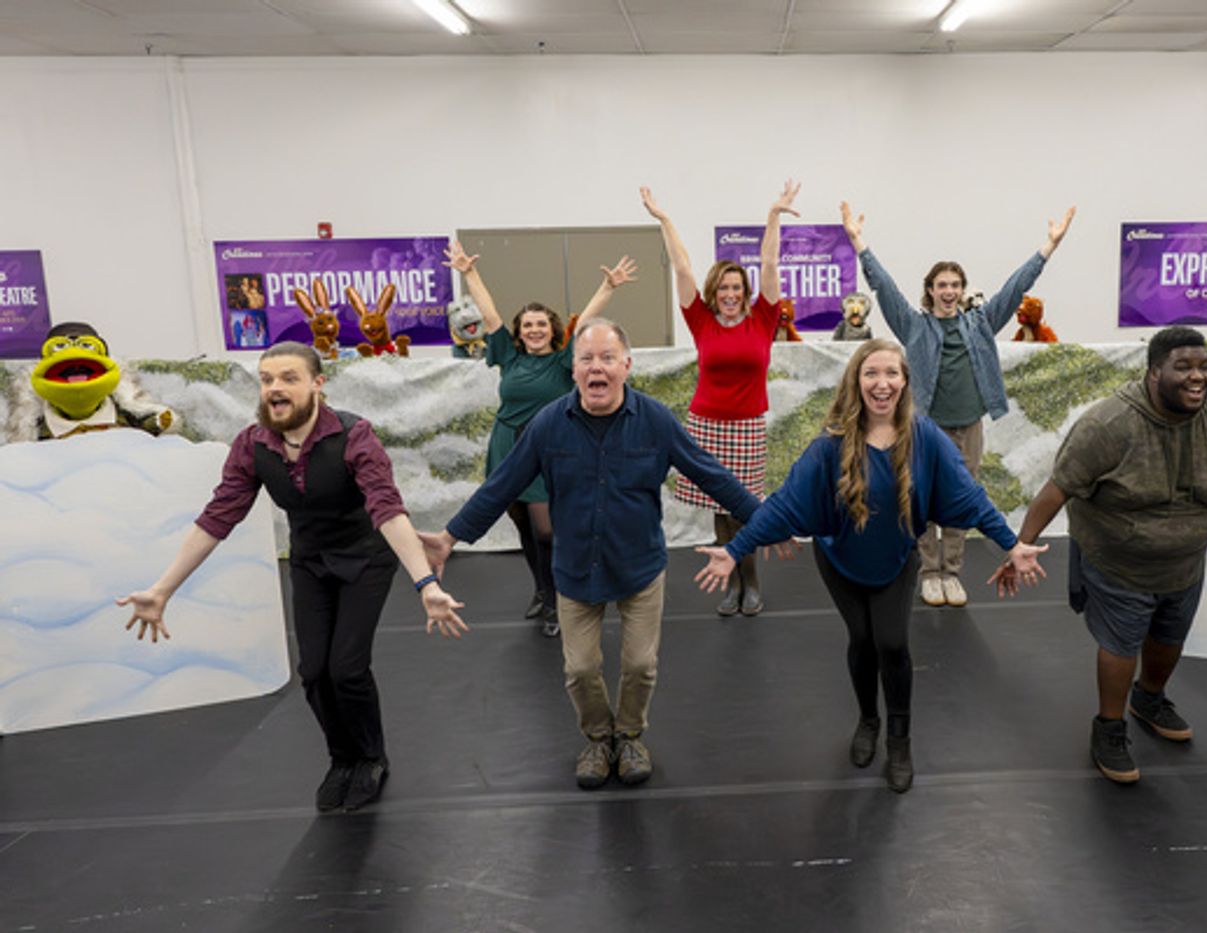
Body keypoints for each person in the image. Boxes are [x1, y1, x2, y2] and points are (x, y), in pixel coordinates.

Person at [117, 341, 468, 812]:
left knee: (347, 669)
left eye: (287, 378)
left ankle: (370, 758)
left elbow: (387, 511)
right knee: (314, 672)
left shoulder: (354, 436)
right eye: (266, 380)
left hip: (365, 559)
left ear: (317, 385)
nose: (274, 389)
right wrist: (163, 589)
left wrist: (426, 585)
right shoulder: (253, 444)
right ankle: (341, 758)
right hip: (310, 562)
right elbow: (218, 517)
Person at [419, 319, 762, 790]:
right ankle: (599, 739)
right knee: (580, 669)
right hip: (576, 569)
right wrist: (449, 537)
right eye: (586, 359)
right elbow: (503, 485)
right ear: (573, 370)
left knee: (640, 666)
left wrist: (765, 520)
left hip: (639, 566)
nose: (595, 367)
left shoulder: (656, 420)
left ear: (626, 365)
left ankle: (630, 735)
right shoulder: (548, 425)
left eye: (606, 358)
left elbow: (710, 473)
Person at [992, 326, 1207, 784]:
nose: (1197, 376)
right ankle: (1109, 728)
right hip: (1119, 562)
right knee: (1121, 644)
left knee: (1169, 637)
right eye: (1184, 367)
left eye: (1203, 366)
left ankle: (1150, 698)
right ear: (1154, 372)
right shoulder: (1107, 425)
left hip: (1185, 562)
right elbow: (1058, 487)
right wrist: (1023, 543)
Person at [695, 340, 1046, 792]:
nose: (882, 384)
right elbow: (786, 503)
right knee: (861, 639)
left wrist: (1011, 544)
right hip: (839, 557)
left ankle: (900, 740)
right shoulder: (832, 443)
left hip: (897, 556)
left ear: (903, 382)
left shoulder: (925, 437)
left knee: (893, 643)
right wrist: (735, 548)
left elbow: (969, 495)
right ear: (856, 382)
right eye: (871, 374)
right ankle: (868, 721)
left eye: (891, 374)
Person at [840, 200, 1075, 609]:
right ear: (930, 290)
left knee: (960, 498)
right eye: (941, 285)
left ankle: (952, 572)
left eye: (955, 285)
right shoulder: (913, 325)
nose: (948, 291)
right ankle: (929, 572)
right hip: (925, 427)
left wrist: (1047, 248)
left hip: (968, 426)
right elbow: (884, 287)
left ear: (962, 290)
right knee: (920, 497)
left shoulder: (980, 322)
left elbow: (1015, 289)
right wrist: (859, 244)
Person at [442, 241, 637, 637]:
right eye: (527, 324)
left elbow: (586, 319)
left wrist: (610, 287)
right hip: (506, 447)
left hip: (548, 453)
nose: (533, 329)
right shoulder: (508, 356)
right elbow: (490, 313)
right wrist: (468, 273)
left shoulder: (565, 360)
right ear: (520, 331)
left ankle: (557, 601)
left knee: (547, 531)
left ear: (552, 330)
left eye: (541, 324)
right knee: (522, 526)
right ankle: (540, 590)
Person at [640, 180, 800, 617]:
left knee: (745, 509)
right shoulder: (701, 321)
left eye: (736, 288)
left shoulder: (764, 317)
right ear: (714, 293)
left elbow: (770, 261)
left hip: (747, 427)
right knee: (719, 509)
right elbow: (682, 267)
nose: (730, 294)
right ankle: (731, 583)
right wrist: (666, 220)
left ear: (745, 292)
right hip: (707, 426)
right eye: (723, 288)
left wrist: (774, 214)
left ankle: (751, 582)